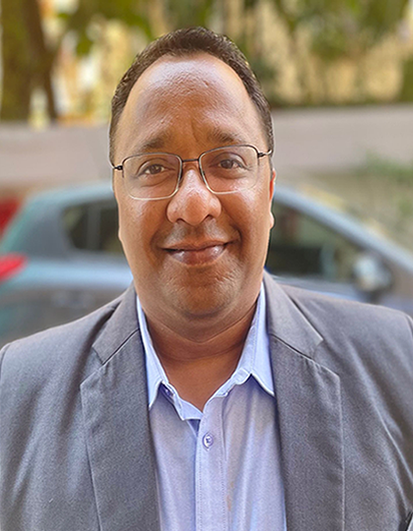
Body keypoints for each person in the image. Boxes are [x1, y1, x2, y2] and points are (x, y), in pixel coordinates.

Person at [1, 26, 413, 531]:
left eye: (228, 162)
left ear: (269, 191)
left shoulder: (398, 368)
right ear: (119, 201)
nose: (194, 204)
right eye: (154, 167)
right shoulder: (16, 399)